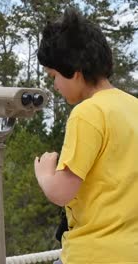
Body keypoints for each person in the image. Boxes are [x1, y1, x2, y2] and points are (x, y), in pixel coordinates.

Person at [34, 7, 138, 264]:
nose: (55, 85)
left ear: (75, 71)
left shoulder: (87, 113)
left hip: (93, 254)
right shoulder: (133, 107)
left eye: (54, 76)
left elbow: (62, 192)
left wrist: (45, 173)